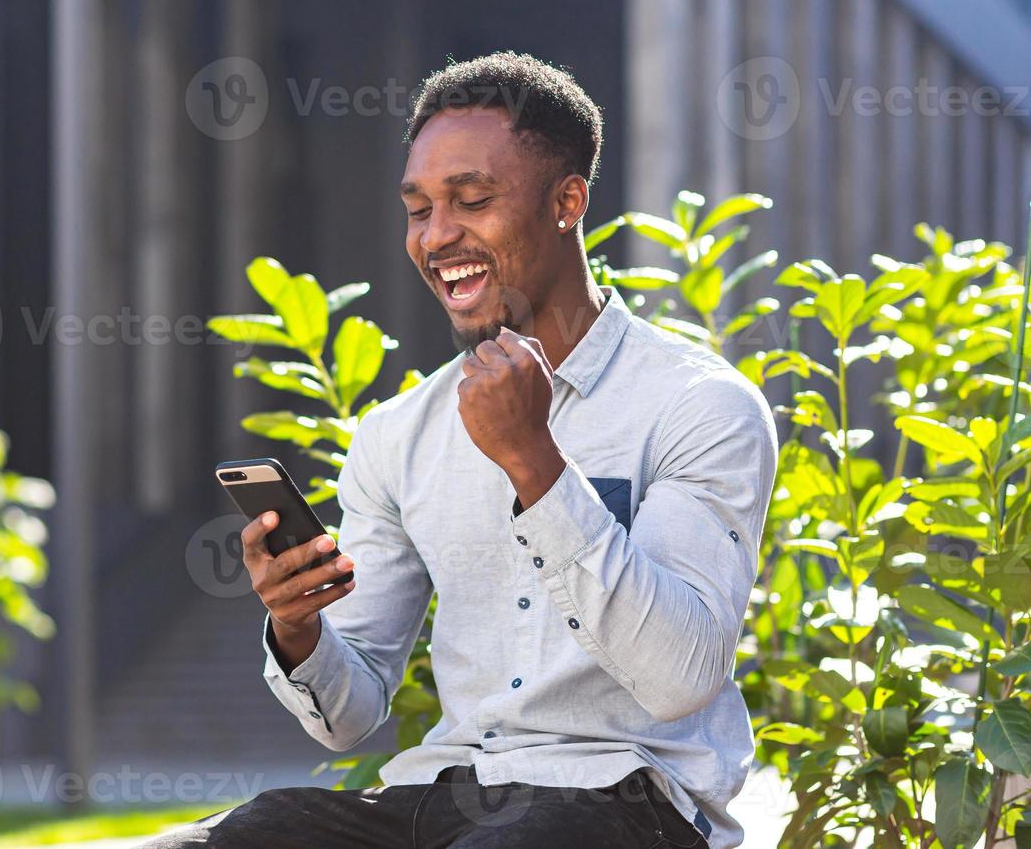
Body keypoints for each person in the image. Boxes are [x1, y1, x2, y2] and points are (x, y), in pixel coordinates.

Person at [145, 51, 779, 848]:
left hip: (626, 799)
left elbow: (681, 677)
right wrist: (298, 629)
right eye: (419, 209)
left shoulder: (700, 405)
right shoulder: (399, 434)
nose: (439, 237)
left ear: (567, 202)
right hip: (439, 799)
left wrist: (534, 462)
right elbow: (349, 715)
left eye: (472, 201)